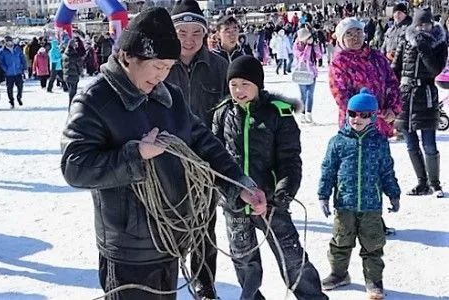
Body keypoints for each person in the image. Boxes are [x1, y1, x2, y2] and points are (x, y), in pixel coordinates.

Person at [60, 8, 267, 300]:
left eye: (168, 66)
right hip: (128, 249)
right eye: (157, 65)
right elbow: (75, 167)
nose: (162, 74)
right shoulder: (94, 101)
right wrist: (135, 155)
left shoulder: (169, 96)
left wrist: (239, 184)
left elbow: (203, 143)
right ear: (128, 57)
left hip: (170, 239)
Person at [212, 55, 328, 300]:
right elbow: (215, 158)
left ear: (258, 84)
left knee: (292, 258)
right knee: (244, 261)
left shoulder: (278, 114)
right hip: (235, 203)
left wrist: (282, 195)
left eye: (245, 84)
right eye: (233, 84)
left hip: (272, 203)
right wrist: (228, 192)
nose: (239, 90)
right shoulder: (222, 114)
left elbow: (290, 159)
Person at [164, 0, 229, 297]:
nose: (188, 40)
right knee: (166, 224)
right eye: (181, 32)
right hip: (166, 160)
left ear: (205, 35)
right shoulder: (159, 64)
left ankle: (205, 282)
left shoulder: (219, 66)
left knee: (205, 225)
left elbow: (232, 111)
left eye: (196, 33)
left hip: (206, 160)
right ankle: (164, 282)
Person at [318, 88, 400, 300]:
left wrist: (393, 193)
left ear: (373, 117)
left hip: (371, 205)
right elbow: (328, 170)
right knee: (340, 242)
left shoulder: (379, 142)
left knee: (373, 245)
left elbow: (387, 171)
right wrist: (323, 195)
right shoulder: (338, 142)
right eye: (353, 113)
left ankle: (374, 280)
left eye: (364, 115)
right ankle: (339, 274)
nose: (357, 119)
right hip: (344, 203)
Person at [391, 8, 447, 198]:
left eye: (427, 24)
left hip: (426, 94)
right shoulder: (405, 40)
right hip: (406, 95)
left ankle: (435, 183)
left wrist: (424, 48)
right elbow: (396, 67)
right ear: (414, 25)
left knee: (429, 143)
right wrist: (390, 87)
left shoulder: (439, 43)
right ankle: (421, 182)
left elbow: (435, 69)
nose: (423, 28)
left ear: (432, 24)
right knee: (411, 143)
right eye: (420, 24)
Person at [329, 17, 402, 138]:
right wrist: (370, 113)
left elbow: (392, 83)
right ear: (342, 39)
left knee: (380, 156)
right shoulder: (339, 62)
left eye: (358, 32)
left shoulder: (376, 56)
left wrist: (393, 108)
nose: (355, 37)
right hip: (355, 125)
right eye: (349, 34)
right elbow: (341, 96)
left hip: (381, 124)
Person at [293, 27, 322, 124]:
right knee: (303, 95)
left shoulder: (312, 45)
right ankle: (302, 115)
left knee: (310, 94)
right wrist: (308, 47)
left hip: (312, 72)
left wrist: (315, 46)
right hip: (301, 72)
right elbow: (302, 58)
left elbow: (319, 56)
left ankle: (309, 114)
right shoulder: (297, 45)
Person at [0, 36, 27, 108]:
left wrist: (24, 67)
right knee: (9, 88)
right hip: (9, 73)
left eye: (10, 41)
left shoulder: (17, 49)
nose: (9, 42)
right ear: (5, 42)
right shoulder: (2, 51)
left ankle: (19, 97)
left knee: (20, 86)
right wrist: (5, 69)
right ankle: (11, 101)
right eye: (7, 41)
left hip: (18, 71)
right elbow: (0, 62)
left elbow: (22, 58)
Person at [62, 39, 82, 107]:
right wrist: (80, 72)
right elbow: (79, 64)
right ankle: (71, 106)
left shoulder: (64, 54)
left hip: (66, 75)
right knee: (73, 93)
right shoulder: (74, 54)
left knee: (70, 92)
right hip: (74, 75)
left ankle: (71, 105)